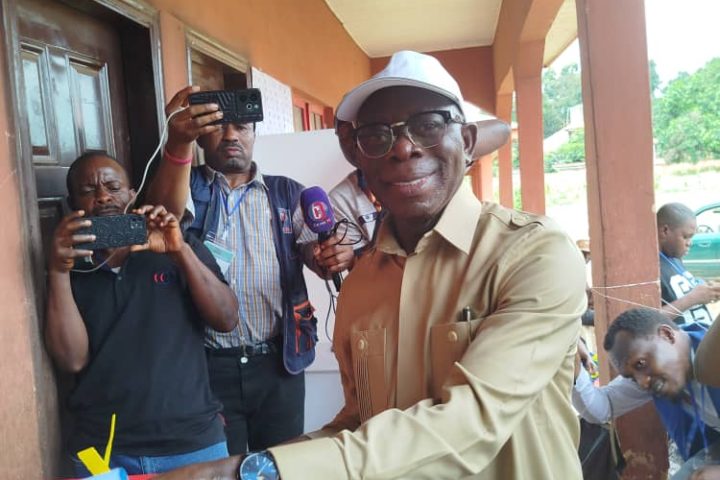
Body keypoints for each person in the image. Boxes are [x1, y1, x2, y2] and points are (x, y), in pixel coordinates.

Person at [156, 50, 587, 480]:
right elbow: (360, 426)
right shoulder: (362, 284)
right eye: (378, 135)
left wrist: (244, 472)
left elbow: (470, 423)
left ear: (469, 142)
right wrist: (251, 468)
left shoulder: (533, 253)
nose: (402, 148)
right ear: (358, 155)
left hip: (278, 360)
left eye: (429, 125)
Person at [146, 88, 355, 455]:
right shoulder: (186, 185)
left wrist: (331, 257)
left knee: (280, 465)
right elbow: (167, 218)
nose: (231, 136)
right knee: (220, 469)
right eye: (218, 127)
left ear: (255, 134)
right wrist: (176, 144)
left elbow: (312, 251)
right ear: (200, 133)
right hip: (207, 366)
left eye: (242, 126)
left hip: (278, 364)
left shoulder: (285, 193)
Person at [45, 153, 238, 475]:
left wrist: (180, 252)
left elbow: (226, 319)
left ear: (132, 195)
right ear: (72, 202)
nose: (103, 196)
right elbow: (72, 359)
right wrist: (58, 271)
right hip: (102, 451)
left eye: (112, 186)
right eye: (89, 190)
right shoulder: (71, 264)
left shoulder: (178, 244)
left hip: (193, 443)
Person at [329, 113, 511, 259]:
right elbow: (359, 267)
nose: (350, 145)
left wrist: (458, 146)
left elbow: (501, 130)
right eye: (343, 136)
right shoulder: (342, 198)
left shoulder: (433, 160)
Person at [572, 307, 720, 467]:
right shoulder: (656, 373)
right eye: (632, 377)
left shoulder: (713, 355)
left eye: (640, 364)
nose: (642, 383)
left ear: (667, 335)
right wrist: (574, 365)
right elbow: (602, 407)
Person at [657, 202, 720, 325]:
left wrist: (708, 290)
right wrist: (693, 298)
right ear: (664, 231)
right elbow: (647, 322)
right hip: (686, 342)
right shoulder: (651, 268)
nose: (689, 243)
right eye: (686, 237)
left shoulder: (675, 258)